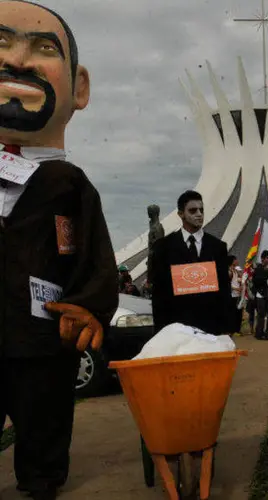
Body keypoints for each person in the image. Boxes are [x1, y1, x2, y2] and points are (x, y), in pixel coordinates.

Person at [0, 2, 119, 498]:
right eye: (1, 43)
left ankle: (42, 477)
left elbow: (97, 257)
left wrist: (89, 305)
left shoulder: (69, 185)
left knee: (43, 421)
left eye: (44, 48)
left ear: (80, 88)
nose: (20, 61)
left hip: (44, 335)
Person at [150, 190, 233, 334]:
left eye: (201, 210)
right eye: (193, 210)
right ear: (181, 214)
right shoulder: (164, 247)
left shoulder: (218, 247)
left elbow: (224, 291)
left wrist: (226, 328)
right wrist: (161, 331)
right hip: (176, 328)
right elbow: (159, 295)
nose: (199, 214)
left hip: (211, 328)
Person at [228, 255, 244, 333]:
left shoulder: (235, 270)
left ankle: (237, 329)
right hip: (232, 295)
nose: (237, 261)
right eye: (235, 259)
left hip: (238, 294)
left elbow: (238, 280)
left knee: (239, 313)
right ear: (232, 261)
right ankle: (232, 330)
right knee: (233, 313)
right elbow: (227, 284)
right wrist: (236, 288)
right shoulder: (229, 271)